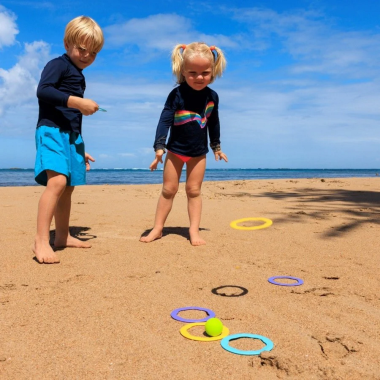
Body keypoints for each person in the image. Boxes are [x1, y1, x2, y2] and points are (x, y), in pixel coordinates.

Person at [140, 42, 228, 246]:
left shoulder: (212, 96)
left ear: (213, 71)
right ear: (183, 71)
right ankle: (158, 228)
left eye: (205, 73)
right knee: (169, 190)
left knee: (194, 190)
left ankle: (194, 231)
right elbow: (164, 120)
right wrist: (159, 147)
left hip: (198, 154)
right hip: (175, 151)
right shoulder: (176, 94)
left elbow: (214, 122)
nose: (199, 77)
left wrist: (216, 147)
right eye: (193, 73)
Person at [33, 16, 104, 264]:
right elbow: (43, 91)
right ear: (67, 44)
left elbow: (74, 116)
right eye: (82, 48)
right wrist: (77, 101)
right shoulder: (58, 65)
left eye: (93, 52)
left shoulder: (79, 75)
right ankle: (41, 240)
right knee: (57, 182)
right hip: (51, 130)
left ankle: (62, 235)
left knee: (69, 186)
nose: (87, 55)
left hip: (70, 136)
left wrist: (79, 146)